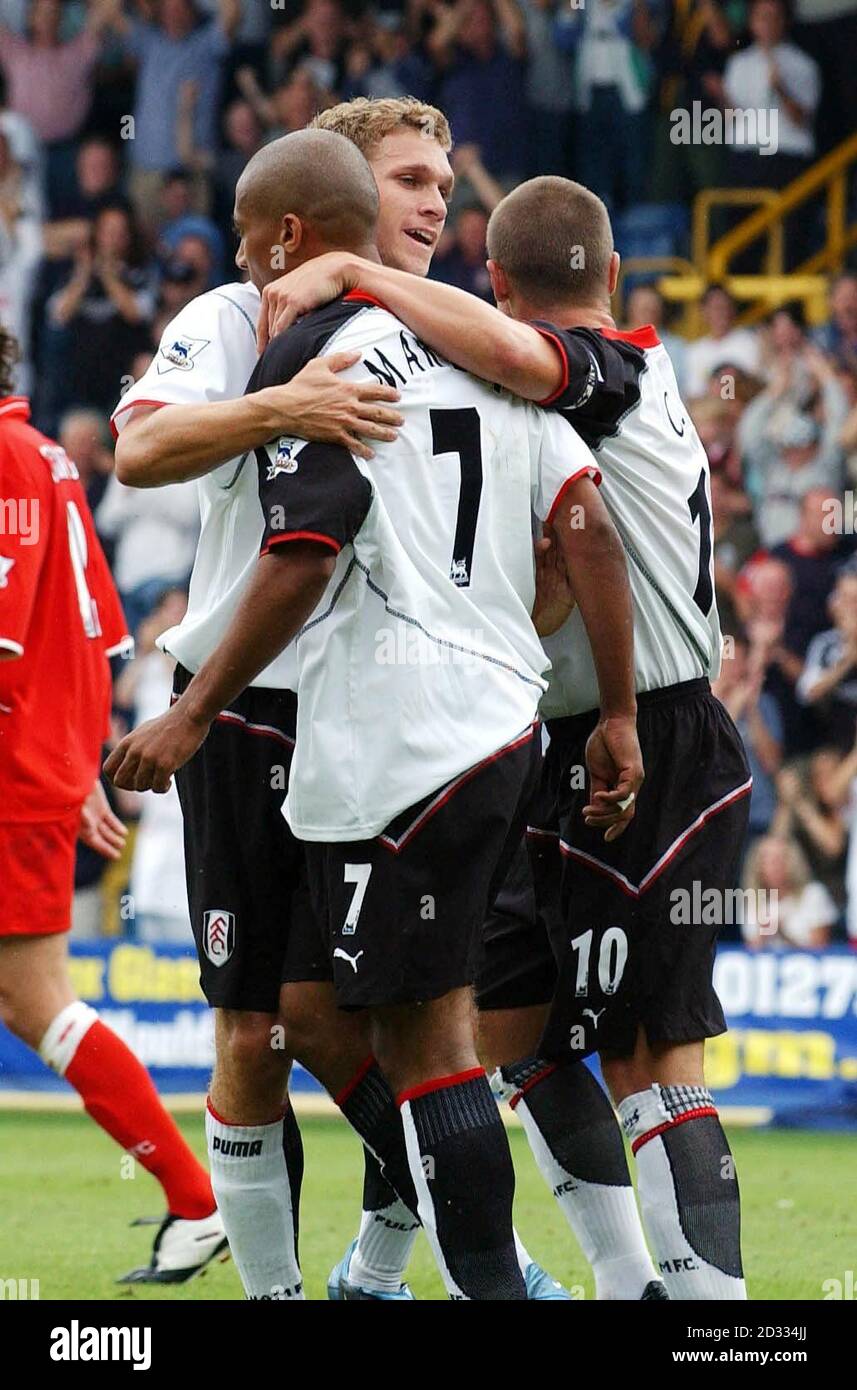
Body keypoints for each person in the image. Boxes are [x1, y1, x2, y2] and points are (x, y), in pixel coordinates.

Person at [105, 130, 642, 1302]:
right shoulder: (240, 317)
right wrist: (278, 406)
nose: (434, 205)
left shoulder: (434, 333)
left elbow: (568, 478)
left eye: (448, 189)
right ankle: (331, 1283)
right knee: (272, 1028)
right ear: (328, 204)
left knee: (390, 1024)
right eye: (409, 180)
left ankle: (449, 1269)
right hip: (268, 709)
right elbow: (138, 448)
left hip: (380, 717)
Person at [263, 172, 755, 1300]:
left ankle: (709, 1319)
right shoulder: (568, 405)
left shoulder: (613, 368)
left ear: (491, 283)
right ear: (615, 269)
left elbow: (528, 358)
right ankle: (627, 1283)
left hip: (652, 742)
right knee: (515, 1033)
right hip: (551, 742)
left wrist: (355, 271)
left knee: (648, 1058)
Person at [0, 322, 226, 1283]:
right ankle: (193, 1200)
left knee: (36, 998)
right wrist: (82, 766)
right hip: (36, 770)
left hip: (10, 776)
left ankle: (196, 1199)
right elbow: (99, 636)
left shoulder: (8, 463)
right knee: (35, 1000)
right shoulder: (46, 457)